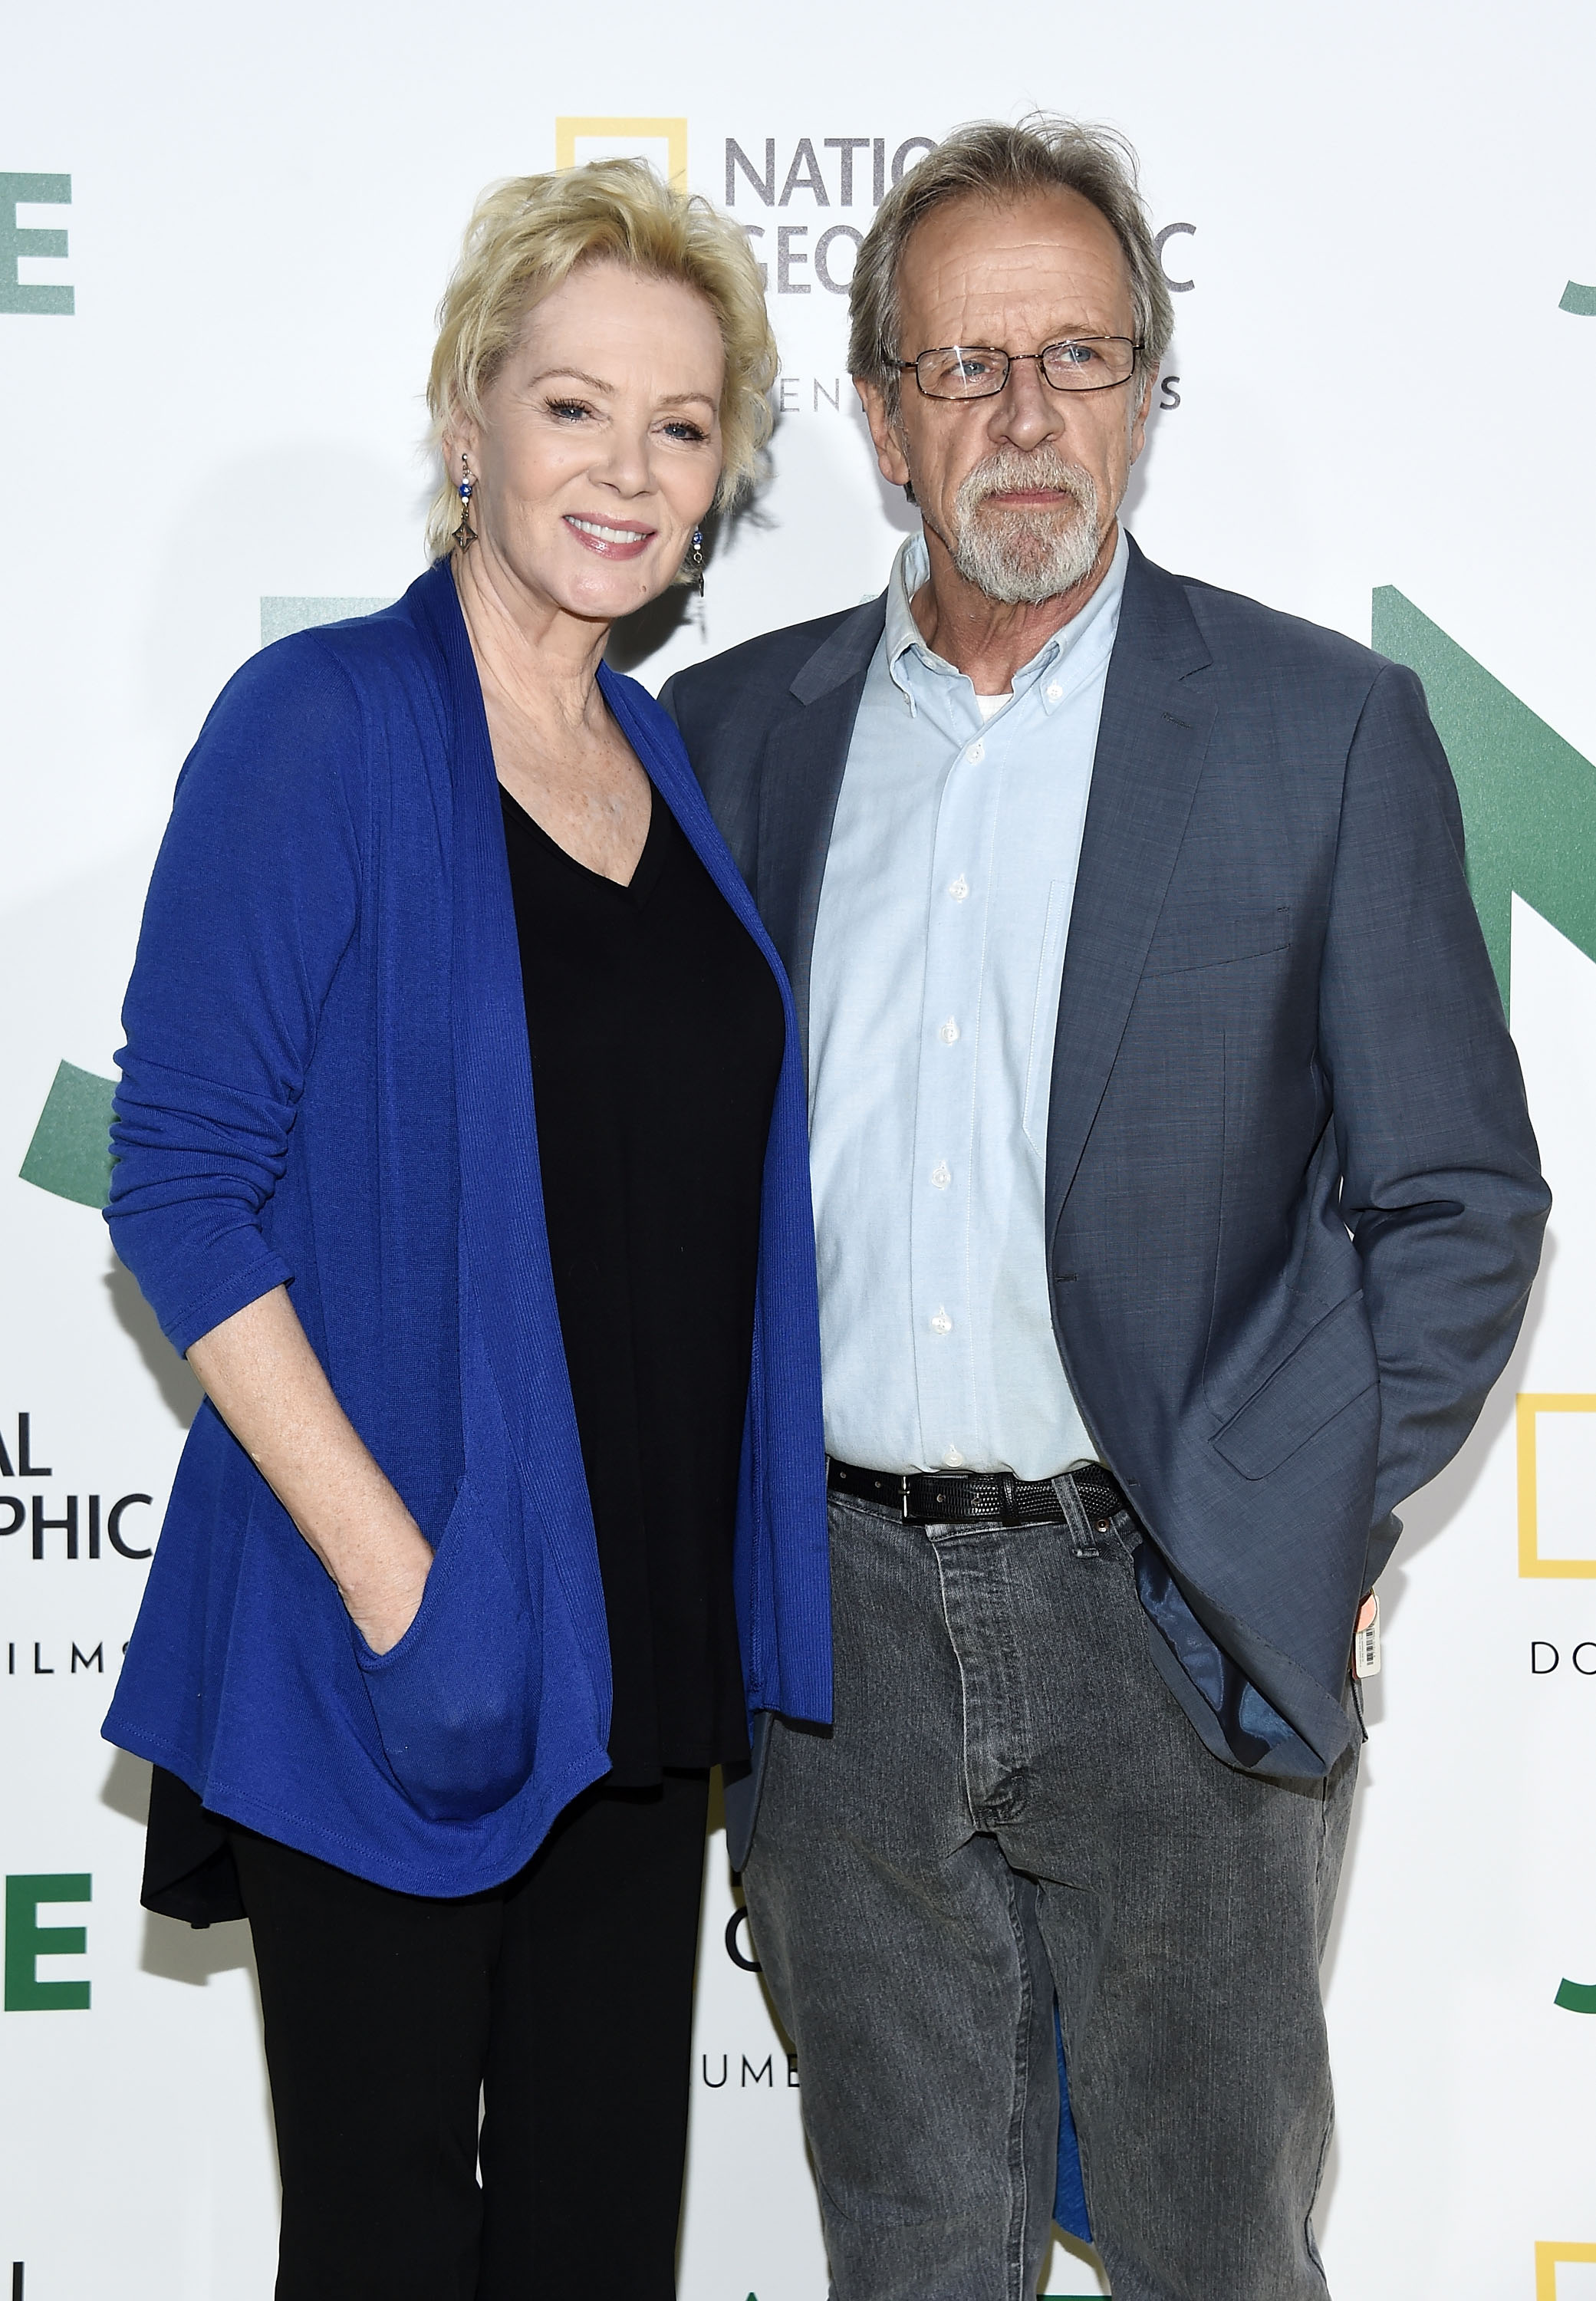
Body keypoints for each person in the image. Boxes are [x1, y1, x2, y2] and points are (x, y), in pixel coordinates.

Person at [661, 116, 1548, 2301]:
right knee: (912, 2251)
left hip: (1169, 1611)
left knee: (1210, 2252)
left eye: (1079, 356)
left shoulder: (1319, 731)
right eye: (967, 368)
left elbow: (1454, 1195)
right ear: (879, 416)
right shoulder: (726, 739)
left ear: (1152, 384)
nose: (1027, 417)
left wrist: (1297, 1510)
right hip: (828, 1638)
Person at [101, 159, 829, 2301]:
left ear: (718, 478)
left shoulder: (657, 763)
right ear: (467, 422)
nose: (624, 470)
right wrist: (396, 1574)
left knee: (601, 2252)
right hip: (392, 1647)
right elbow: (181, 1189)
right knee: (395, 2254)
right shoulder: (319, 725)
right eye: (572, 407)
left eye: (680, 427)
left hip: (631, 1654)